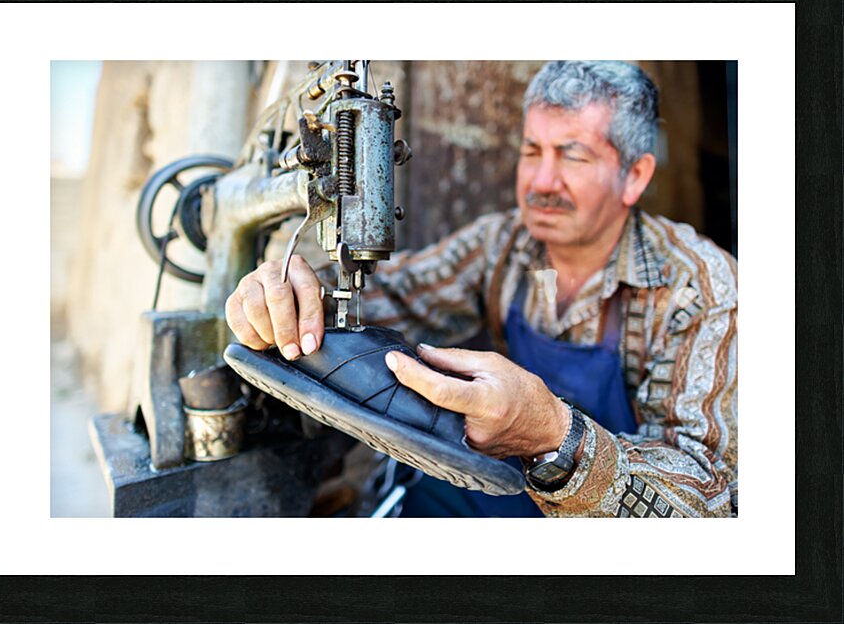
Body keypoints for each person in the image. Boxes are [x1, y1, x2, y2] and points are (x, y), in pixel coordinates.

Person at [225, 61, 738, 518]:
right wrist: (295, 296)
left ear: (635, 176)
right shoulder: (504, 245)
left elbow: (715, 504)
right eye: (532, 151)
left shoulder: (700, 290)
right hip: (510, 499)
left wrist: (553, 435)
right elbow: (392, 297)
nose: (541, 181)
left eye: (573, 157)